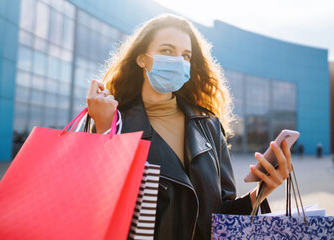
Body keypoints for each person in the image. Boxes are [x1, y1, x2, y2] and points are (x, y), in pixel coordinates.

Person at [86, 14, 293, 240]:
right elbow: (94, 206)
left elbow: (222, 216)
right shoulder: (114, 121)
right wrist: (104, 130)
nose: (178, 61)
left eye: (186, 56)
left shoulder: (209, 126)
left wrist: (263, 190)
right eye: (167, 51)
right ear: (141, 59)